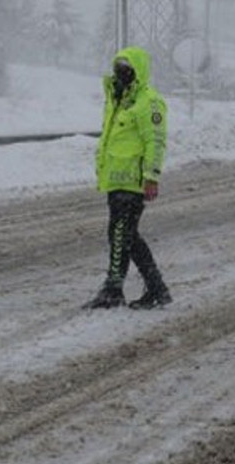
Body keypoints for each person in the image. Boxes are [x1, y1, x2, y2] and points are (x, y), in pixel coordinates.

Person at [84, 46, 173, 310]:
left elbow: (155, 141)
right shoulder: (117, 100)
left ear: (138, 70)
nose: (120, 73)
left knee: (121, 234)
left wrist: (152, 176)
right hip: (116, 179)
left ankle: (113, 289)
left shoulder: (149, 102)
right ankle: (157, 289)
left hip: (134, 181)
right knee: (126, 236)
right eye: (117, 67)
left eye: (126, 68)